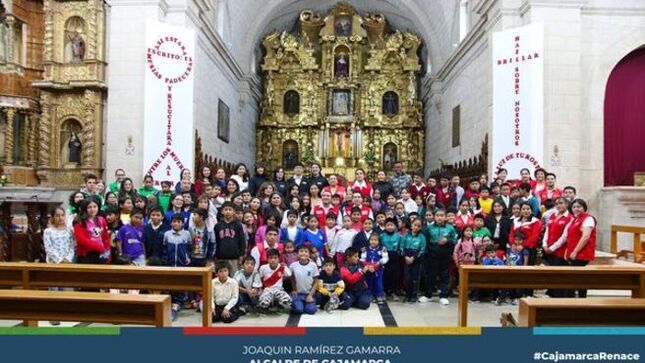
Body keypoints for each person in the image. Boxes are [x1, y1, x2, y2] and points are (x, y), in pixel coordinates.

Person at [420, 209, 457, 305]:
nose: (439, 217)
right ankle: (428, 295)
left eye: (441, 215)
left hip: (445, 255)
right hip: (432, 255)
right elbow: (426, 242)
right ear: (434, 217)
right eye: (437, 215)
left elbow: (454, 240)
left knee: (444, 275)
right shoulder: (429, 228)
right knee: (430, 275)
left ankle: (443, 296)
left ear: (445, 217)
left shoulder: (450, 228)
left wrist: (447, 240)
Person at [565, 198, 596, 298]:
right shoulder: (575, 218)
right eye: (574, 207)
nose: (576, 209)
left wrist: (575, 251)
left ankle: (579, 300)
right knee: (574, 278)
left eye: (579, 207)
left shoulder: (588, 219)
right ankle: (574, 300)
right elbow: (571, 236)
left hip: (582, 253)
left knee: (575, 279)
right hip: (574, 252)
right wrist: (567, 250)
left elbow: (586, 237)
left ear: (584, 208)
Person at [541, 197, 572, 297]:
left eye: (561, 203)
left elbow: (565, 237)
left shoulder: (569, 218)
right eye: (557, 203)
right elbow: (547, 231)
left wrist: (553, 247)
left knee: (559, 273)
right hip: (549, 249)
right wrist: (545, 244)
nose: (559, 205)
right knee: (551, 272)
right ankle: (552, 293)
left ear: (567, 205)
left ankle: (559, 295)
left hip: (560, 250)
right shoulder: (553, 215)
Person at [163, 213, 192, 320]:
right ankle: (171, 302)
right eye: (174, 221)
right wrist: (165, 260)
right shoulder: (167, 234)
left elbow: (189, 247)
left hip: (181, 264)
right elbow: (164, 248)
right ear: (171, 223)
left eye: (179, 222)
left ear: (182, 223)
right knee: (170, 283)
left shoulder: (187, 234)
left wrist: (187, 257)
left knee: (180, 282)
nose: (176, 224)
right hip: (170, 264)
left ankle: (178, 303)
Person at [73, 198, 111, 264]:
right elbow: (81, 240)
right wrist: (98, 247)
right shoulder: (79, 222)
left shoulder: (101, 219)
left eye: (95, 206)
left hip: (101, 253)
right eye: (89, 207)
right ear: (85, 208)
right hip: (86, 254)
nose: (92, 209)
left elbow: (105, 236)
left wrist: (108, 252)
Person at [214, 202, 246, 274]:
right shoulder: (218, 225)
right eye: (225, 209)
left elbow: (242, 241)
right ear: (222, 211)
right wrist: (215, 256)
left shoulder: (238, 225)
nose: (228, 211)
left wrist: (241, 255)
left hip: (234, 258)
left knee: (234, 277)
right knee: (222, 276)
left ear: (234, 212)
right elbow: (216, 241)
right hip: (221, 257)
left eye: (230, 209)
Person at [400, 219, 426, 303]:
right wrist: (406, 257)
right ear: (411, 225)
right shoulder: (405, 236)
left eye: (419, 226)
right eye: (415, 225)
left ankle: (414, 295)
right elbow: (401, 247)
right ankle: (407, 295)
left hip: (416, 260)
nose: (416, 227)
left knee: (415, 278)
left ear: (421, 227)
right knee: (407, 278)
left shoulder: (422, 237)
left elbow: (422, 249)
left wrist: (414, 258)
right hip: (406, 258)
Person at [43, 207, 76, 274]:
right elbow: (49, 248)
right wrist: (60, 260)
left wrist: (68, 259)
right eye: (57, 216)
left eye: (62, 215)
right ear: (53, 217)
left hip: (68, 261)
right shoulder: (48, 231)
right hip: (54, 262)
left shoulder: (69, 230)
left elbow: (72, 246)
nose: (60, 218)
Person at [290, 245, 319, 314]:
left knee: (311, 310)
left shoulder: (313, 265)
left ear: (309, 254)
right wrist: (294, 290)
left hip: (309, 293)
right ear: (297, 254)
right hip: (298, 294)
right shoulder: (293, 265)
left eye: (306, 251)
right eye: (301, 251)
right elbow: (292, 278)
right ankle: (297, 302)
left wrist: (310, 295)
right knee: (298, 310)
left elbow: (316, 281)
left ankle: (309, 303)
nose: (303, 253)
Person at [361, 234, 389, 304]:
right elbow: (362, 259)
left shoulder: (382, 249)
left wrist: (379, 263)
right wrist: (367, 265)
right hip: (368, 269)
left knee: (378, 283)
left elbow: (386, 258)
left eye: (375, 240)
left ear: (379, 241)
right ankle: (370, 295)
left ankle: (379, 295)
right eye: (372, 240)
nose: (373, 242)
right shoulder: (365, 249)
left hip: (378, 269)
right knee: (369, 283)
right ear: (369, 240)